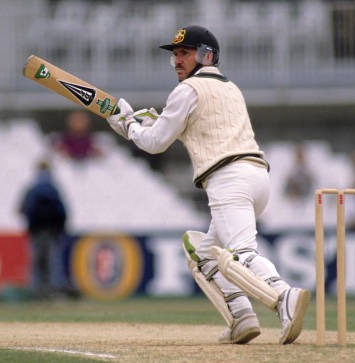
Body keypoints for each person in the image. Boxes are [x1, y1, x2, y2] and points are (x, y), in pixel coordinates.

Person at [106, 25, 309, 344]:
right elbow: (191, 127)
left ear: (207, 55)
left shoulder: (187, 90)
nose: (177, 61)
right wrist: (150, 121)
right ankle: (241, 317)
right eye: (175, 55)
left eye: (184, 53)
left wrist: (129, 125)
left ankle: (284, 296)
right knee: (204, 255)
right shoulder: (230, 87)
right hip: (257, 177)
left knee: (241, 253)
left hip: (228, 179)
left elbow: (156, 142)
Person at [19, 160, 68, 299]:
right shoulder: (54, 188)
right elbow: (62, 211)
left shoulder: (31, 188)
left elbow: (22, 209)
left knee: (36, 262)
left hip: (36, 231)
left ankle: (36, 292)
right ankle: (53, 292)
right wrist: (61, 228)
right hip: (52, 231)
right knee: (53, 262)